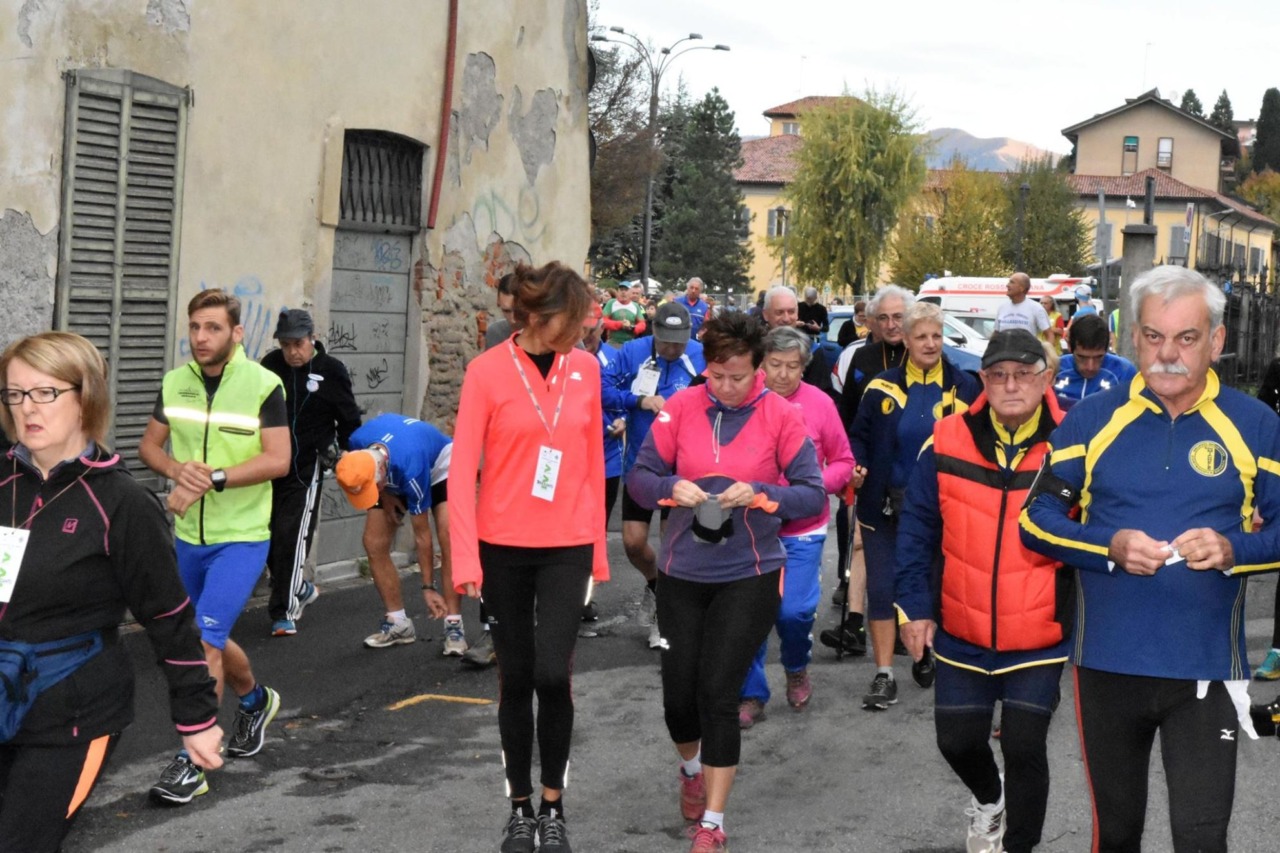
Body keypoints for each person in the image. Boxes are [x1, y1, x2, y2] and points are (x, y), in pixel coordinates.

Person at [1020, 265, 1280, 852]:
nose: (1168, 354)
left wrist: (1234, 549)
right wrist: (1108, 546)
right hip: (1108, 666)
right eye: (1154, 336)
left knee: (1202, 839)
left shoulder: (1257, 425)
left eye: (1186, 338)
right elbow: (1035, 521)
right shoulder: (1090, 419)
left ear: (1215, 341)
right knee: (1115, 836)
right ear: (1132, 338)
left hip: (1206, 669)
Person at [0, 332, 223, 850]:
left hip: (74, 713)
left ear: (86, 397)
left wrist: (197, 718)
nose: (25, 408)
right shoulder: (5, 483)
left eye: (44, 393)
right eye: (14, 394)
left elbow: (169, 618)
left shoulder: (121, 503)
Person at [627, 311, 824, 853]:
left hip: (749, 573)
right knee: (677, 700)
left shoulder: (781, 415)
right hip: (681, 574)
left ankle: (712, 822)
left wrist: (762, 493)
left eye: (738, 376)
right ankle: (692, 769)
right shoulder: (682, 408)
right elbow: (640, 481)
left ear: (757, 369)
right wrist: (672, 488)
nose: (727, 387)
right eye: (716, 375)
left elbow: (812, 493)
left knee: (718, 693)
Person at [449, 260, 608, 853]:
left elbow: (592, 464)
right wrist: (465, 560)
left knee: (552, 673)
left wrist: (597, 552)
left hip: (566, 545)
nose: (584, 328)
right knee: (516, 678)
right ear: (538, 315)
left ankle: (553, 805)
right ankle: (519, 808)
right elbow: (462, 470)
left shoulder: (586, 370)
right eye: (574, 318)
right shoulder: (485, 372)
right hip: (502, 548)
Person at [897, 329, 1070, 853]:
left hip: (1040, 632)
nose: (1010, 385)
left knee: (1024, 747)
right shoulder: (946, 438)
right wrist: (914, 608)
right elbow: (917, 530)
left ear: (1045, 379)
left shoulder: (1072, 444)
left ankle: (1020, 845)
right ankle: (989, 802)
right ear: (983, 381)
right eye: (998, 375)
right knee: (957, 741)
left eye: (1023, 374)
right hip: (961, 628)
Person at [138, 288, 290, 803]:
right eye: (195, 327)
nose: (201, 338)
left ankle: (191, 760)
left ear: (237, 332)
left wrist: (214, 478)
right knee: (209, 630)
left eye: (213, 328)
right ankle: (255, 700)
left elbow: (279, 460)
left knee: (203, 641)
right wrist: (177, 469)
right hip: (187, 538)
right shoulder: (174, 383)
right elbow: (148, 446)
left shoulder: (263, 384)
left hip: (241, 538)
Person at [849, 301, 980, 710]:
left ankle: (927, 652)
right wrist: (856, 466)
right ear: (905, 339)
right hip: (884, 507)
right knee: (884, 587)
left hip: (943, 511)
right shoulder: (881, 387)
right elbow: (859, 438)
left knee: (935, 588)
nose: (930, 343)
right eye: (921, 336)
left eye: (937, 336)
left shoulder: (965, 388)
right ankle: (885, 673)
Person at [738, 327, 855, 728]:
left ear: (804, 367)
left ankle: (795, 666)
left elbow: (843, 459)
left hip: (804, 526)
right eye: (775, 365)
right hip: (752, 526)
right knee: (751, 614)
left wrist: (817, 485)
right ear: (761, 364)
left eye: (793, 367)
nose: (784, 375)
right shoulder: (744, 402)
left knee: (794, 612)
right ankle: (751, 693)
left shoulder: (820, 404)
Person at [601, 302, 705, 649]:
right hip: (642, 465)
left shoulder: (701, 356)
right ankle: (656, 584)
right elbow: (601, 391)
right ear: (653, 332)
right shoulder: (631, 352)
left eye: (679, 342)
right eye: (666, 342)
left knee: (672, 543)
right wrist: (638, 401)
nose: (673, 349)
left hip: (684, 469)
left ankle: (665, 613)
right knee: (632, 542)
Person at [260, 308, 363, 636]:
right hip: (267, 465)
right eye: (286, 344)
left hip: (306, 467)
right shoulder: (270, 366)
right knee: (267, 539)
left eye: (298, 344)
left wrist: (352, 456)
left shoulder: (332, 371)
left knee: (291, 537)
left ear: (312, 339)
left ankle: (284, 611)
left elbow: (349, 420)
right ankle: (300, 589)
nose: (292, 352)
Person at [824, 284, 915, 655]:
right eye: (884, 318)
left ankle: (903, 621)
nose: (892, 325)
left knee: (909, 544)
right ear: (871, 322)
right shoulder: (858, 358)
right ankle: (855, 624)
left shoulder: (925, 352)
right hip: (869, 465)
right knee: (862, 540)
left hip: (912, 468)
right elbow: (845, 416)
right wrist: (848, 460)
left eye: (898, 317)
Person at [335, 414, 457, 651]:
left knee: (448, 535)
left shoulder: (411, 468)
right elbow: (366, 473)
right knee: (373, 542)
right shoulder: (355, 446)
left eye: (375, 486)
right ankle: (399, 623)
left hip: (438, 465)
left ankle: (454, 623)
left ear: (381, 471)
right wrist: (384, 494)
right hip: (392, 467)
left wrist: (427, 587)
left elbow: (422, 536)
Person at [1051, 313, 1137, 410]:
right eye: (1082, 357)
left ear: (1107, 348)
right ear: (1070, 347)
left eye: (1099, 357)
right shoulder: (1055, 368)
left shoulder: (1123, 371)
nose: (1090, 367)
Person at [760, 286, 833, 397]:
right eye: (779, 312)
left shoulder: (812, 351)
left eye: (791, 312)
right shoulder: (753, 348)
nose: (786, 318)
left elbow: (821, 396)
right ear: (765, 314)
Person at [995, 272, 1051, 340]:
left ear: (1021, 288)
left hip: (1027, 350)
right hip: (1004, 350)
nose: (1007, 285)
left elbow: (1050, 335)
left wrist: (1046, 350)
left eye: (1012, 282)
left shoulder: (1036, 308)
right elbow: (996, 333)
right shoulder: (1002, 308)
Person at [484, 272, 520, 349]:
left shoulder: (541, 334)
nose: (513, 319)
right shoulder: (495, 333)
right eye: (506, 311)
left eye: (518, 310)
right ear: (498, 301)